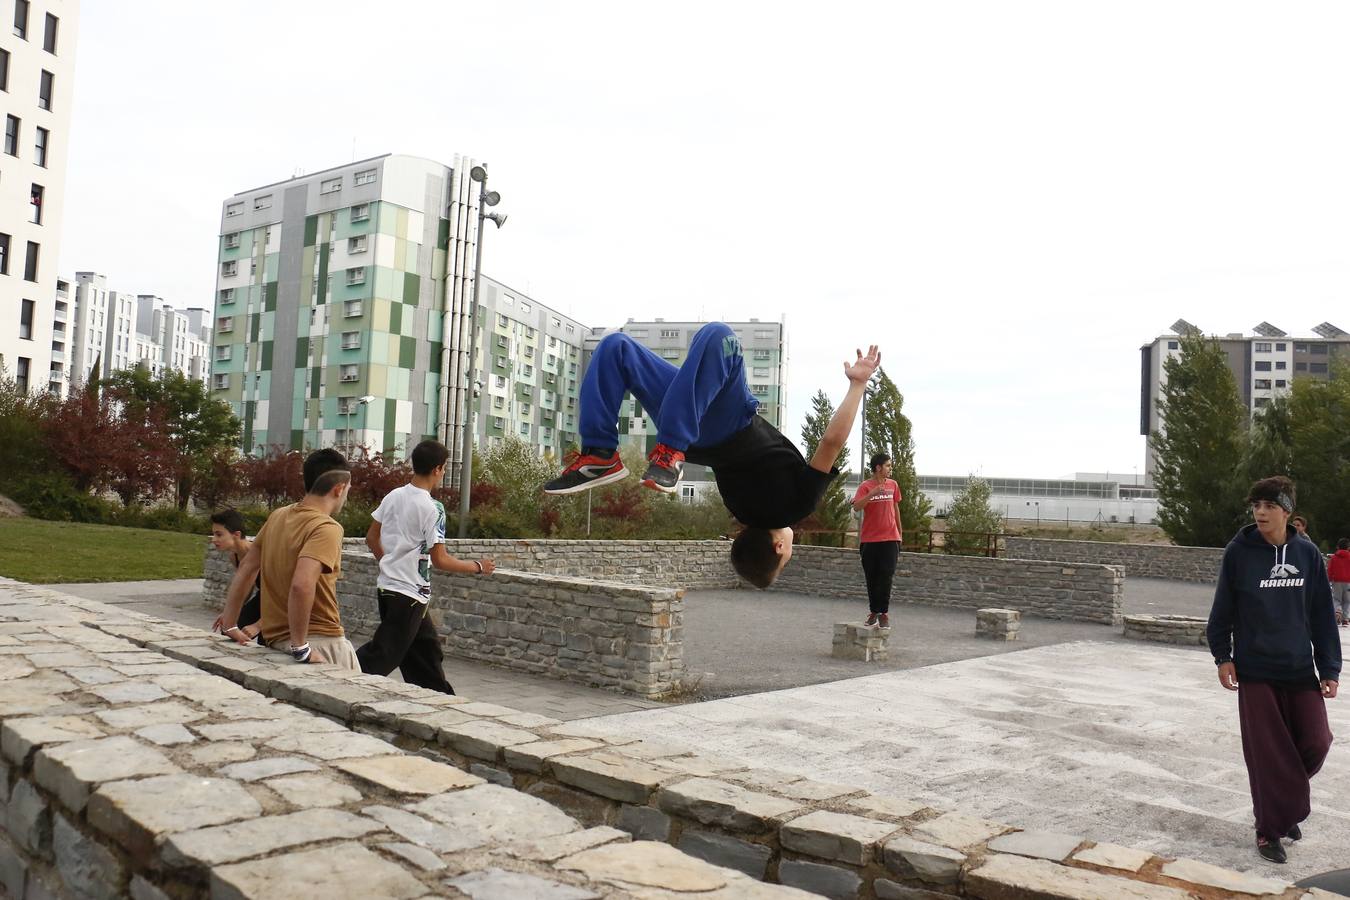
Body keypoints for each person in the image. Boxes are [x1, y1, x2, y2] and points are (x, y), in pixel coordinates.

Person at [543, 322, 879, 588]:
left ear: (779, 548)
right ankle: (601, 454)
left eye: (788, 557)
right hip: (691, 431)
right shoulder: (739, 509)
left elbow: (832, 442)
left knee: (721, 338)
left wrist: (857, 385)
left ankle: (639, 450)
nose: (791, 550)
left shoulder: (798, 505)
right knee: (616, 349)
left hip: (721, 423)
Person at [1205, 475, 1340, 864]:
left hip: (1298, 667)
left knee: (1318, 740)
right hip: (1255, 667)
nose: (1261, 513)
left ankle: (1284, 803)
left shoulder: (1308, 554)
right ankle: (1268, 829)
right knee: (1267, 753)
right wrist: (1222, 655)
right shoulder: (1239, 552)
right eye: (1256, 506)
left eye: (1269, 506)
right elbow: (1222, 609)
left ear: (1287, 511)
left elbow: (1321, 615)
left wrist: (1329, 666)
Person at [356, 440, 495, 693]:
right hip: (408, 594)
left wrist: (389, 564)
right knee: (383, 654)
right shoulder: (433, 509)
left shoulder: (394, 496)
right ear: (438, 469)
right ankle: (336, 675)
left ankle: (441, 699)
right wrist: (478, 566)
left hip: (391, 590)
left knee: (426, 652)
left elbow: (371, 538)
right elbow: (440, 559)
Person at [219, 448, 360, 669]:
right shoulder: (326, 527)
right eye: (348, 490)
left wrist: (229, 624)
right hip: (320, 642)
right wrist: (301, 648)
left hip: (276, 642)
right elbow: (302, 585)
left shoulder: (278, 516)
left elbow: (246, 567)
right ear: (339, 488)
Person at [852, 453, 902, 628]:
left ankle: (884, 614)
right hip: (870, 540)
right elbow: (857, 506)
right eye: (888, 465)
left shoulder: (893, 485)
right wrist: (872, 493)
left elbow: (896, 509)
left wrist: (900, 534)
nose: (890, 469)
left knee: (886, 575)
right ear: (878, 467)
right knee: (872, 577)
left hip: (890, 538)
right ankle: (874, 611)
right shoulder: (865, 486)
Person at [209, 509, 262, 639]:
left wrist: (258, 626)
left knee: (265, 639)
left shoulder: (260, 555)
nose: (214, 540)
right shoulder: (234, 556)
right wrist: (229, 612)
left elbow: (284, 594)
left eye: (219, 534)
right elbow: (245, 586)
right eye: (213, 534)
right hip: (263, 597)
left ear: (236, 535)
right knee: (229, 630)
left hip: (280, 601)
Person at [1329, 538, 1350, 628]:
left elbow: (1330, 569)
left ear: (1337, 547)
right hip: (1349, 582)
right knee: (1347, 601)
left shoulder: (1333, 557)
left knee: (1337, 599)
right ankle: (1345, 619)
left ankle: (1337, 611)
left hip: (1336, 581)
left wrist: (1329, 579)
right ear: (1348, 547)